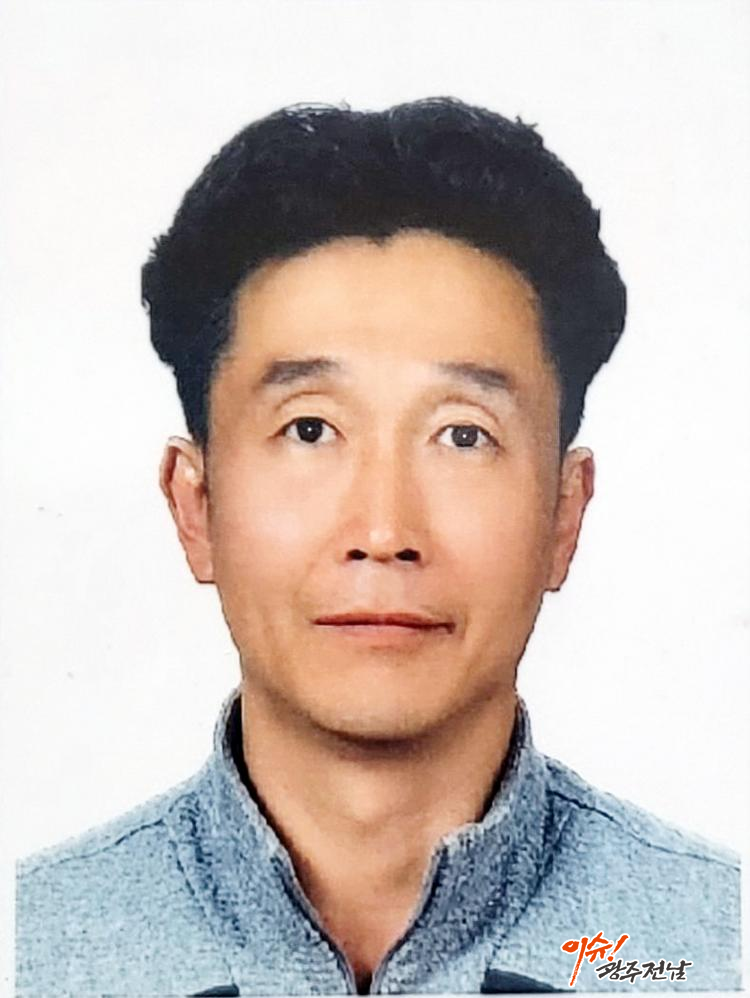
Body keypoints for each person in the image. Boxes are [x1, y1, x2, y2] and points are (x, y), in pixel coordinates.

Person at [16, 98, 740, 996]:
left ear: (564, 515)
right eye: (310, 429)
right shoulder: (33, 949)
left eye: (463, 435)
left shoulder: (711, 948)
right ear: (195, 505)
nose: (384, 532)